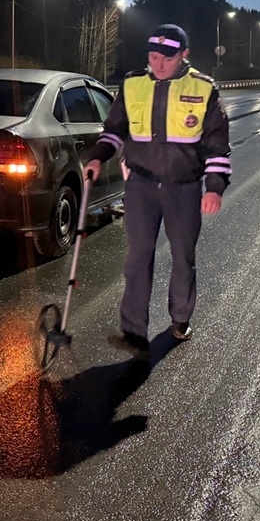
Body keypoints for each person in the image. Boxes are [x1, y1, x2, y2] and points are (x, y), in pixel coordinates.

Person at [85, 23, 231, 360]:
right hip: (141, 186)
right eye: (153, 57)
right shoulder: (133, 84)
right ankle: (133, 332)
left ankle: (180, 318)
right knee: (137, 258)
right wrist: (97, 157)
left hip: (183, 188)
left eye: (167, 57)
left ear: (184, 55)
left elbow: (217, 148)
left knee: (183, 256)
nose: (159, 64)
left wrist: (214, 188)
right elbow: (114, 131)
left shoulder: (204, 89)